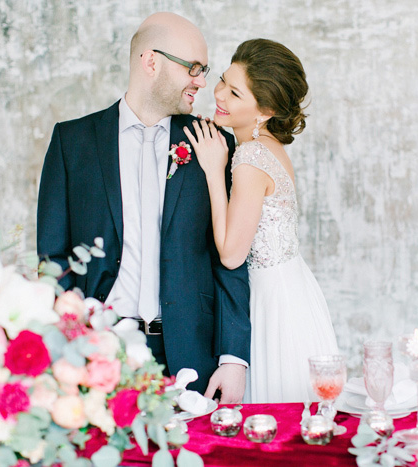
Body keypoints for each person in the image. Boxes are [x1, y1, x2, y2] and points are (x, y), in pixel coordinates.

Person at [36, 12, 250, 403]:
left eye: (205, 70)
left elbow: (230, 258)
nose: (202, 82)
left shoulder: (212, 144)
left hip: (190, 355)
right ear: (151, 61)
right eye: (194, 68)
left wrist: (234, 358)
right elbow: (53, 259)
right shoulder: (73, 142)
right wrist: (67, 347)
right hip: (97, 355)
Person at [184, 38, 339, 403]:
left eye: (235, 94)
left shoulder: (251, 156)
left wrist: (212, 168)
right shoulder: (271, 148)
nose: (219, 94)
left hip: (275, 303)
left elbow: (231, 254)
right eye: (223, 80)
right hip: (295, 289)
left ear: (264, 111)